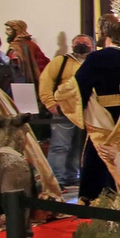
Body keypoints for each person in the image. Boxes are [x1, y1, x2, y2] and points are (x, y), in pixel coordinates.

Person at [70, 18, 120, 203]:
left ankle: (95, 199)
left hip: (103, 116)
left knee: (98, 156)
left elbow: (77, 88)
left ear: (104, 33)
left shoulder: (96, 58)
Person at [39, 34, 91, 189]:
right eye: (78, 43)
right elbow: (46, 81)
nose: (81, 45)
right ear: (72, 45)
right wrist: (50, 102)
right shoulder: (61, 61)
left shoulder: (94, 61)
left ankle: (70, 175)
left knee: (78, 146)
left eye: (85, 43)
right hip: (63, 110)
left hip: (86, 110)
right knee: (60, 146)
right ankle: (55, 179)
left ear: (92, 46)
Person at [3, 20, 48, 87]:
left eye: (9, 30)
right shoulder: (31, 44)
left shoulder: (17, 46)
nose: (6, 32)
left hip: (21, 82)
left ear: (17, 30)